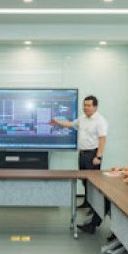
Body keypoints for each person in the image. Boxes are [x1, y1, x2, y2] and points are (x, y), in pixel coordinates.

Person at [52, 95, 108, 234]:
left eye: (88, 105)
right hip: (82, 154)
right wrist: (57, 122)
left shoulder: (100, 121)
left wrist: (98, 157)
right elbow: (71, 124)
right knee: (83, 181)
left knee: (93, 183)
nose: (86, 108)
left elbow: (102, 139)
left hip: (93, 155)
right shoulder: (82, 119)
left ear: (95, 106)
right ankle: (87, 203)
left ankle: (94, 207)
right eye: (84, 105)